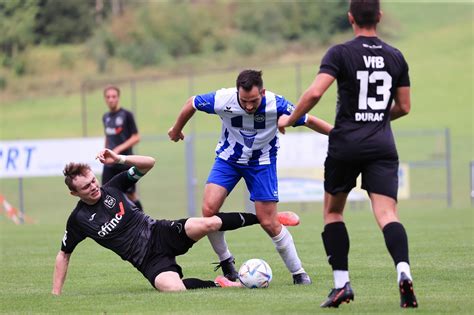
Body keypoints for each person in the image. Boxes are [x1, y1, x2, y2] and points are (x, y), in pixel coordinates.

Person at [278, 0, 418, 308]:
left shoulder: (340, 53)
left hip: (346, 145)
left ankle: (342, 285)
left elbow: (315, 92)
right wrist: (377, 119)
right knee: (386, 214)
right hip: (382, 145)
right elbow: (404, 107)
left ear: (350, 17)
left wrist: (289, 119)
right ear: (379, 17)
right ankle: (403, 271)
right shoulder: (396, 56)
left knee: (333, 213)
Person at [168, 69, 333, 285]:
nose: (248, 106)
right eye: (243, 100)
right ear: (237, 92)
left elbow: (309, 120)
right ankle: (227, 262)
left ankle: (298, 272)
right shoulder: (223, 99)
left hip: (261, 163)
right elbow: (192, 102)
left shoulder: (277, 104)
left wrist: (340, 135)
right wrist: (177, 129)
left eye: (253, 100)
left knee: (269, 222)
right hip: (229, 160)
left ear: (262, 92)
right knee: (208, 211)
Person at [52, 148, 288, 295]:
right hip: (146, 260)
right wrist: (55, 294)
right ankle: (222, 283)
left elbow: (149, 162)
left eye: (93, 181)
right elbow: (64, 254)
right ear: (75, 193)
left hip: (160, 232)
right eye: (86, 187)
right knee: (173, 288)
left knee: (207, 224)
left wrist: (119, 158)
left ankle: (265, 218)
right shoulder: (79, 220)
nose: (94, 187)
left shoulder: (112, 186)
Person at [102, 85, 143, 210]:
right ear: (105, 99)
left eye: (113, 96)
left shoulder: (127, 115)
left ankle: (144, 223)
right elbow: (108, 136)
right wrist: (105, 151)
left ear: (118, 98)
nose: (111, 99)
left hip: (124, 161)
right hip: (110, 164)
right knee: (105, 194)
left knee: (130, 194)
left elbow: (136, 137)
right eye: (108, 97)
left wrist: (118, 150)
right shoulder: (106, 117)